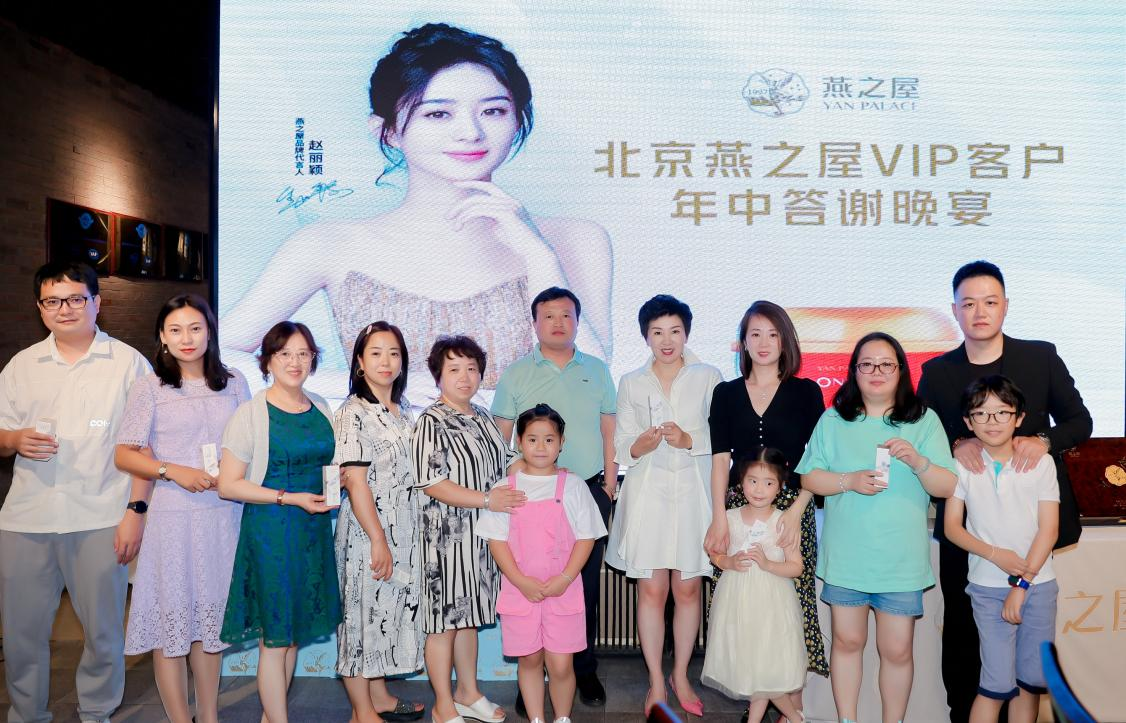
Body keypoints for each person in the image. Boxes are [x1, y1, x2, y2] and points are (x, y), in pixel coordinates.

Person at [219, 23, 613, 398]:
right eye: (438, 113)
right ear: (388, 130)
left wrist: (539, 257)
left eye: (493, 111)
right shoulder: (328, 244)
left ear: (517, 119)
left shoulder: (575, 239)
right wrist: (357, 382)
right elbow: (217, 354)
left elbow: (588, 383)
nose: (471, 132)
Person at [917, 260, 1092, 722]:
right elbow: (924, 438)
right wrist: (957, 442)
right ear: (954, 310)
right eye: (968, 303)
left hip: (1030, 528)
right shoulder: (937, 372)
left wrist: (1043, 440)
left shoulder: (1040, 357)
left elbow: (1080, 421)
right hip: (968, 530)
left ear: (1006, 306)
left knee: (1028, 648)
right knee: (962, 629)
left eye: (990, 302)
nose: (979, 312)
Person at [0, 261, 149, 723]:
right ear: (39, 307)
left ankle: (97, 711)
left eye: (75, 298)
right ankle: (27, 714)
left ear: (96, 302)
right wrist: (14, 439)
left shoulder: (128, 363)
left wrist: (135, 511)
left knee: (103, 632)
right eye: (52, 300)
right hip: (27, 518)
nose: (64, 309)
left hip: (101, 516)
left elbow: (145, 446)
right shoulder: (22, 365)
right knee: (22, 634)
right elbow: (1, 433)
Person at [796, 332, 957, 723]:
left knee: (897, 649)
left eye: (886, 364)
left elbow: (948, 486)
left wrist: (918, 461)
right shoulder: (834, 419)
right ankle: (847, 720)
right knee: (847, 641)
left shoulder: (922, 420)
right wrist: (848, 481)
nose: (876, 371)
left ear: (901, 370)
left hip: (900, 559)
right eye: (866, 364)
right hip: (847, 555)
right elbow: (808, 477)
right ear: (854, 371)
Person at [113, 294, 250, 723]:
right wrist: (172, 470)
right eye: (175, 330)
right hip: (173, 518)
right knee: (171, 626)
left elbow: (249, 445)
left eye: (195, 328)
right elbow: (124, 453)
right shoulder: (150, 387)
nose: (186, 338)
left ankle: (208, 716)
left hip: (224, 516)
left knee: (209, 627)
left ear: (210, 332)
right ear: (163, 336)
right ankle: (178, 717)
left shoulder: (235, 382)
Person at [491, 286, 617, 711]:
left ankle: (584, 669)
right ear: (535, 323)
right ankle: (531, 677)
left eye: (566, 315)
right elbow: (500, 435)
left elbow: (609, 428)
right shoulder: (515, 373)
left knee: (583, 586)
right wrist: (513, 475)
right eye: (549, 316)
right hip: (528, 493)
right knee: (526, 580)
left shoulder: (597, 369)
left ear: (578, 321)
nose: (558, 322)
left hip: (587, 489)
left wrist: (610, 482)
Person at [704, 300, 829, 712]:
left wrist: (797, 510)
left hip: (792, 508)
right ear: (743, 342)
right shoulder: (725, 393)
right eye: (754, 334)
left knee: (793, 604)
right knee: (744, 607)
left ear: (785, 340)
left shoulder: (806, 392)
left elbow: (818, 457)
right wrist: (718, 516)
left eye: (772, 334)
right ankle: (756, 701)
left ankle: (792, 708)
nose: (763, 342)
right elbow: (720, 459)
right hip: (739, 510)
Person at [217, 321, 342, 723]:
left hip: (311, 533)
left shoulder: (321, 406)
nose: (295, 361)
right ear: (268, 360)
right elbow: (228, 484)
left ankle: (272, 716)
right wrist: (288, 497)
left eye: (303, 353)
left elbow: (328, 466)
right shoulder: (250, 414)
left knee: (291, 637)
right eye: (285, 353)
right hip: (271, 533)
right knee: (275, 639)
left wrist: (335, 485)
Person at [606, 294, 720, 717]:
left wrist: (689, 439)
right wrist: (641, 444)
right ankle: (656, 678)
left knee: (688, 589)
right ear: (645, 336)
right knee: (652, 590)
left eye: (675, 331)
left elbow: (722, 437)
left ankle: (681, 674)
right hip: (648, 495)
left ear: (686, 333)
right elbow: (621, 445)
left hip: (693, 493)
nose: (667, 340)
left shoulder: (709, 376)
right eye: (657, 332)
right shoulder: (632, 381)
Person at [411, 335, 527, 723]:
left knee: (469, 618)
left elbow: (508, 459)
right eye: (454, 369)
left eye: (472, 369)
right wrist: (486, 500)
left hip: (481, 538)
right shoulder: (430, 421)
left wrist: (545, 470)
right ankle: (443, 704)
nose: (465, 377)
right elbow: (431, 482)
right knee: (443, 624)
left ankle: (468, 692)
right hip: (445, 541)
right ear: (438, 376)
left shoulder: (483, 416)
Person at [478, 404, 607, 723]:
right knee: (530, 660)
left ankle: (562, 717)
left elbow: (586, 538)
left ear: (561, 443)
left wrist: (565, 578)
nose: (540, 447)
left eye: (549, 439)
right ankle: (536, 718)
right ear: (519, 442)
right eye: (532, 439)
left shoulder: (573, 486)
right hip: (520, 591)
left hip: (563, 590)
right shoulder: (505, 489)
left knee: (561, 665)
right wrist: (521, 581)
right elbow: (496, 541)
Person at [943, 376, 1059, 723]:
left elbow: (1049, 530)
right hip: (987, 587)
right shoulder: (961, 465)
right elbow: (952, 528)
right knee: (994, 684)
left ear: (1019, 417)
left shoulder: (1041, 463)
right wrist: (996, 555)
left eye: (1002, 412)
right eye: (981, 413)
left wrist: (1021, 584)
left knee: (1030, 683)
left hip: (1038, 586)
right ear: (968, 422)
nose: (992, 421)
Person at [332, 321, 426, 722]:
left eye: (394, 353)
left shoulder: (404, 411)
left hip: (404, 531)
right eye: (375, 353)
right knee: (359, 620)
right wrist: (377, 539)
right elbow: (355, 482)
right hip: (367, 534)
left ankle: (380, 697)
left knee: (383, 616)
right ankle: (362, 713)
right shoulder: (352, 412)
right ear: (359, 361)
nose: (386, 361)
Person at [702, 448, 807, 723]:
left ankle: (795, 718)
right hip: (738, 603)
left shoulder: (783, 521)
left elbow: (796, 566)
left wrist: (769, 564)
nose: (759, 489)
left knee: (765, 669)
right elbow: (713, 553)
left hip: (771, 605)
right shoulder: (729, 517)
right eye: (753, 481)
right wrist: (728, 561)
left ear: (780, 486)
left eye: (768, 483)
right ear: (741, 481)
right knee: (753, 668)